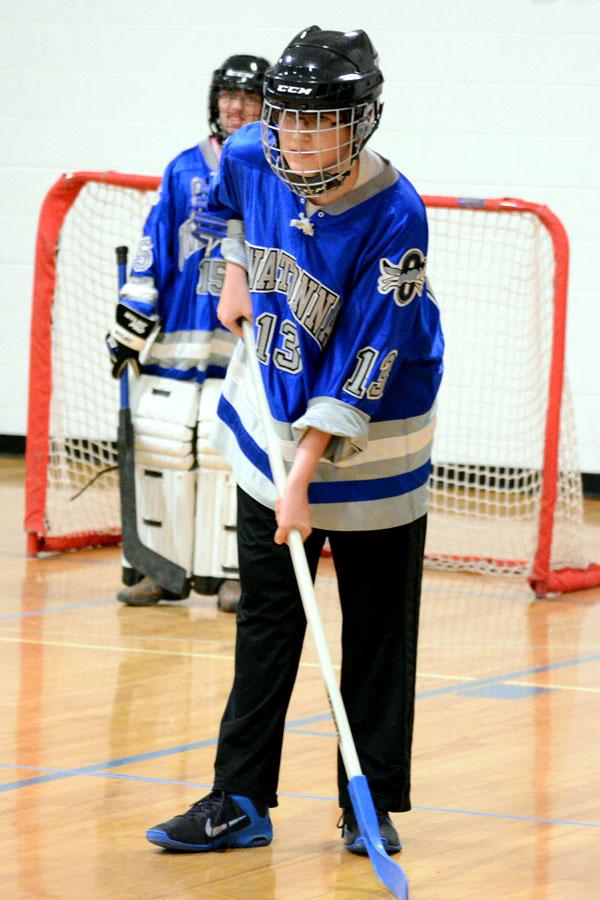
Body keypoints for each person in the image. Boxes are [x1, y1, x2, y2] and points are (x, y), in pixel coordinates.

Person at [146, 26, 443, 855]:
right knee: (269, 621)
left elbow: (366, 363)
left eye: (321, 124)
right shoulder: (251, 151)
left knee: (379, 627)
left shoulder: (396, 214)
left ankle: (370, 802)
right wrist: (235, 273)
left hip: (378, 433)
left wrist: (304, 477)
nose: (298, 139)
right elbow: (221, 213)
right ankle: (239, 798)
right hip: (272, 413)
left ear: (361, 121)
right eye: (288, 120)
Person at [107, 54, 270, 612]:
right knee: (161, 445)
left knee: (230, 457)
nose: (236, 106)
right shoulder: (182, 169)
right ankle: (160, 568)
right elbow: (152, 250)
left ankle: (235, 574)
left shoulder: (276, 173)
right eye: (228, 95)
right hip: (178, 342)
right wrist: (130, 322)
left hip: (244, 350)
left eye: (248, 97)